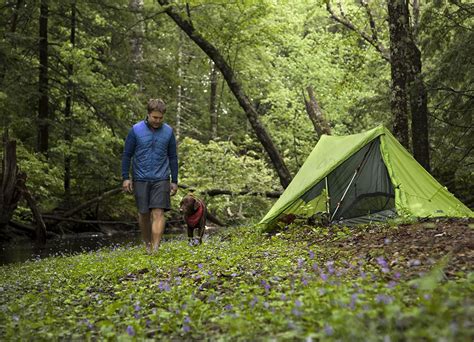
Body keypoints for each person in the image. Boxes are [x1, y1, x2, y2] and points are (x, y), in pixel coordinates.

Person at [121, 98, 178, 253]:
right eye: (154, 117)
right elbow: (127, 155)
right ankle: (147, 244)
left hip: (162, 178)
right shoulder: (136, 130)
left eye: (160, 118)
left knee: (158, 212)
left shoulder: (168, 132)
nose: (157, 121)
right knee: (144, 214)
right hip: (140, 177)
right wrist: (126, 177)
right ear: (148, 114)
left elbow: (173, 157)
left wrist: (175, 180)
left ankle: (156, 247)